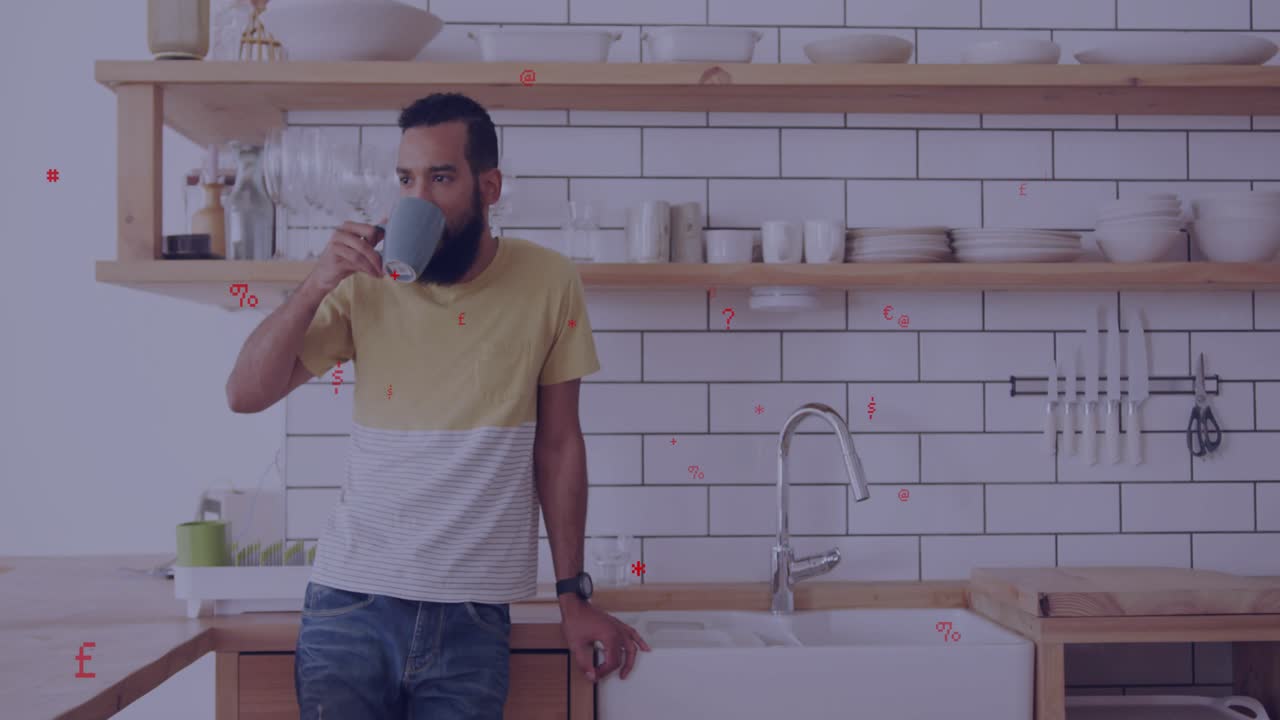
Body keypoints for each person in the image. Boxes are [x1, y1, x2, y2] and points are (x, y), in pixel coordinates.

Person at [224, 92, 650, 719]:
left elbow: (559, 446)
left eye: (440, 177)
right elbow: (244, 393)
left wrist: (572, 595)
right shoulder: (364, 284)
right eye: (405, 179)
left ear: (490, 185)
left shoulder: (549, 280)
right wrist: (316, 282)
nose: (415, 199)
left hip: (474, 621)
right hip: (350, 606)